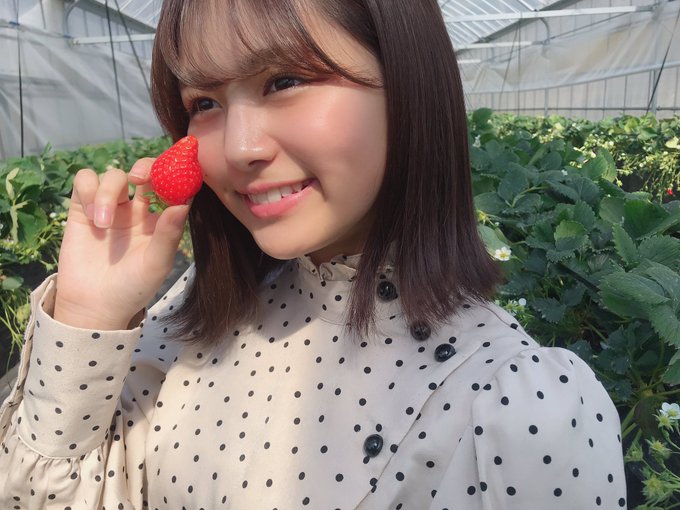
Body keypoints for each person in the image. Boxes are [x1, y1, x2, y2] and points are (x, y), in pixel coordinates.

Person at [0, 0, 628, 508]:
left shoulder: (522, 411)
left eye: (285, 81)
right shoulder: (191, 314)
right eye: (205, 103)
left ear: (409, 86)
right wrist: (89, 315)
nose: (240, 148)